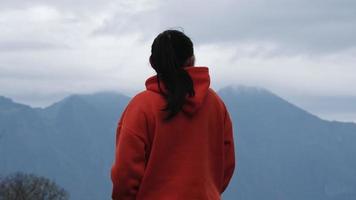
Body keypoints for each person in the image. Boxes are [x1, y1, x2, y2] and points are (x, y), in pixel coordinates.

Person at [110, 29, 236, 200]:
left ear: (152, 63)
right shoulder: (215, 104)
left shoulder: (142, 107)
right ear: (192, 60)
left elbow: (125, 175)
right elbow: (226, 165)